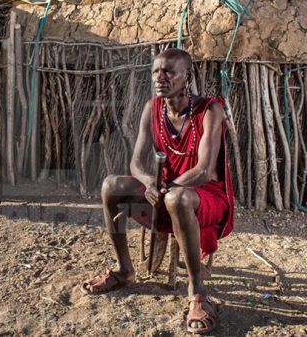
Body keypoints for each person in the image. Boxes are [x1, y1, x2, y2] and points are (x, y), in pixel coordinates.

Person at [81, 48, 234, 334]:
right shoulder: (152, 109)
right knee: (111, 185)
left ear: (186, 76)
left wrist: (168, 188)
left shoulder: (210, 109)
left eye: (168, 71)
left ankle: (197, 292)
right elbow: (136, 163)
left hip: (205, 195)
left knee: (177, 197)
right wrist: (150, 183)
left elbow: (203, 170)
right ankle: (124, 270)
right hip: (166, 190)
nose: (159, 77)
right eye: (155, 71)